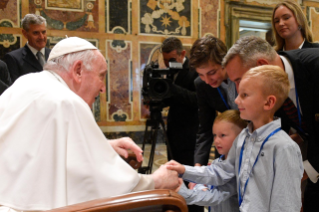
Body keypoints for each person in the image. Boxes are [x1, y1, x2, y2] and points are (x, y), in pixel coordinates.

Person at [0, 37, 179, 212]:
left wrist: (103, 146)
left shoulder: (25, 83)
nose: (102, 88)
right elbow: (104, 184)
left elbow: (29, 146)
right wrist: (157, 181)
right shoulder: (68, 101)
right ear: (78, 70)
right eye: (101, 76)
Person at [167, 65, 303, 211]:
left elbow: (286, 205)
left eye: (244, 95)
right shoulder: (243, 137)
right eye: (238, 94)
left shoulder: (283, 147)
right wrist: (184, 170)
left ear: (268, 102)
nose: (237, 100)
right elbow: (222, 172)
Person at [222, 35, 319, 212]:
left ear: (261, 65)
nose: (238, 90)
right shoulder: (269, 88)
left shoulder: (315, 66)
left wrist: (296, 173)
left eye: (239, 80)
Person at [160, 37, 201, 212]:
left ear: (183, 54)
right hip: (173, 134)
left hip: (190, 135)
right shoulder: (170, 71)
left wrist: (172, 88)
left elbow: (196, 99)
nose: (168, 63)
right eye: (165, 60)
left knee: (189, 178)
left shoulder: (194, 71)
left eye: (172, 60)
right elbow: (172, 99)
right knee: (174, 176)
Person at [177, 110, 247, 211]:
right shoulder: (217, 162)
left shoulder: (239, 168)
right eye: (214, 135)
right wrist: (199, 185)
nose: (216, 140)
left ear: (240, 137)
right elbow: (208, 186)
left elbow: (215, 197)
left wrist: (185, 192)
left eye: (222, 135)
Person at [189, 35, 238, 169]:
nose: (207, 80)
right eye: (201, 74)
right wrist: (198, 166)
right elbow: (205, 127)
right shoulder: (202, 85)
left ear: (224, 61)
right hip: (225, 148)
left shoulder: (245, 75)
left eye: (212, 72)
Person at [4, 14, 51, 83]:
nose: (41, 37)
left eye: (43, 32)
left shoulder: (55, 54)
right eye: (36, 33)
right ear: (25, 34)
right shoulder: (13, 58)